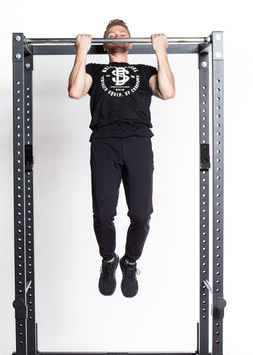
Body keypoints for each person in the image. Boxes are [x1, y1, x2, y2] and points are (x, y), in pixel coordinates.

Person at [68, 19, 175, 298]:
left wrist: (160, 51)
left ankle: (129, 262)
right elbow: (75, 91)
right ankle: (108, 260)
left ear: (130, 43)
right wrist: (81, 50)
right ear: (105, 44)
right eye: (111, 35)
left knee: (141, 214)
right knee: (103, 214)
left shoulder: (144, 71)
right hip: (104, 143)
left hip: (139, 142)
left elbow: (168, 92)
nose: (117, 36)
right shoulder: (94, 70)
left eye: (122, 34)